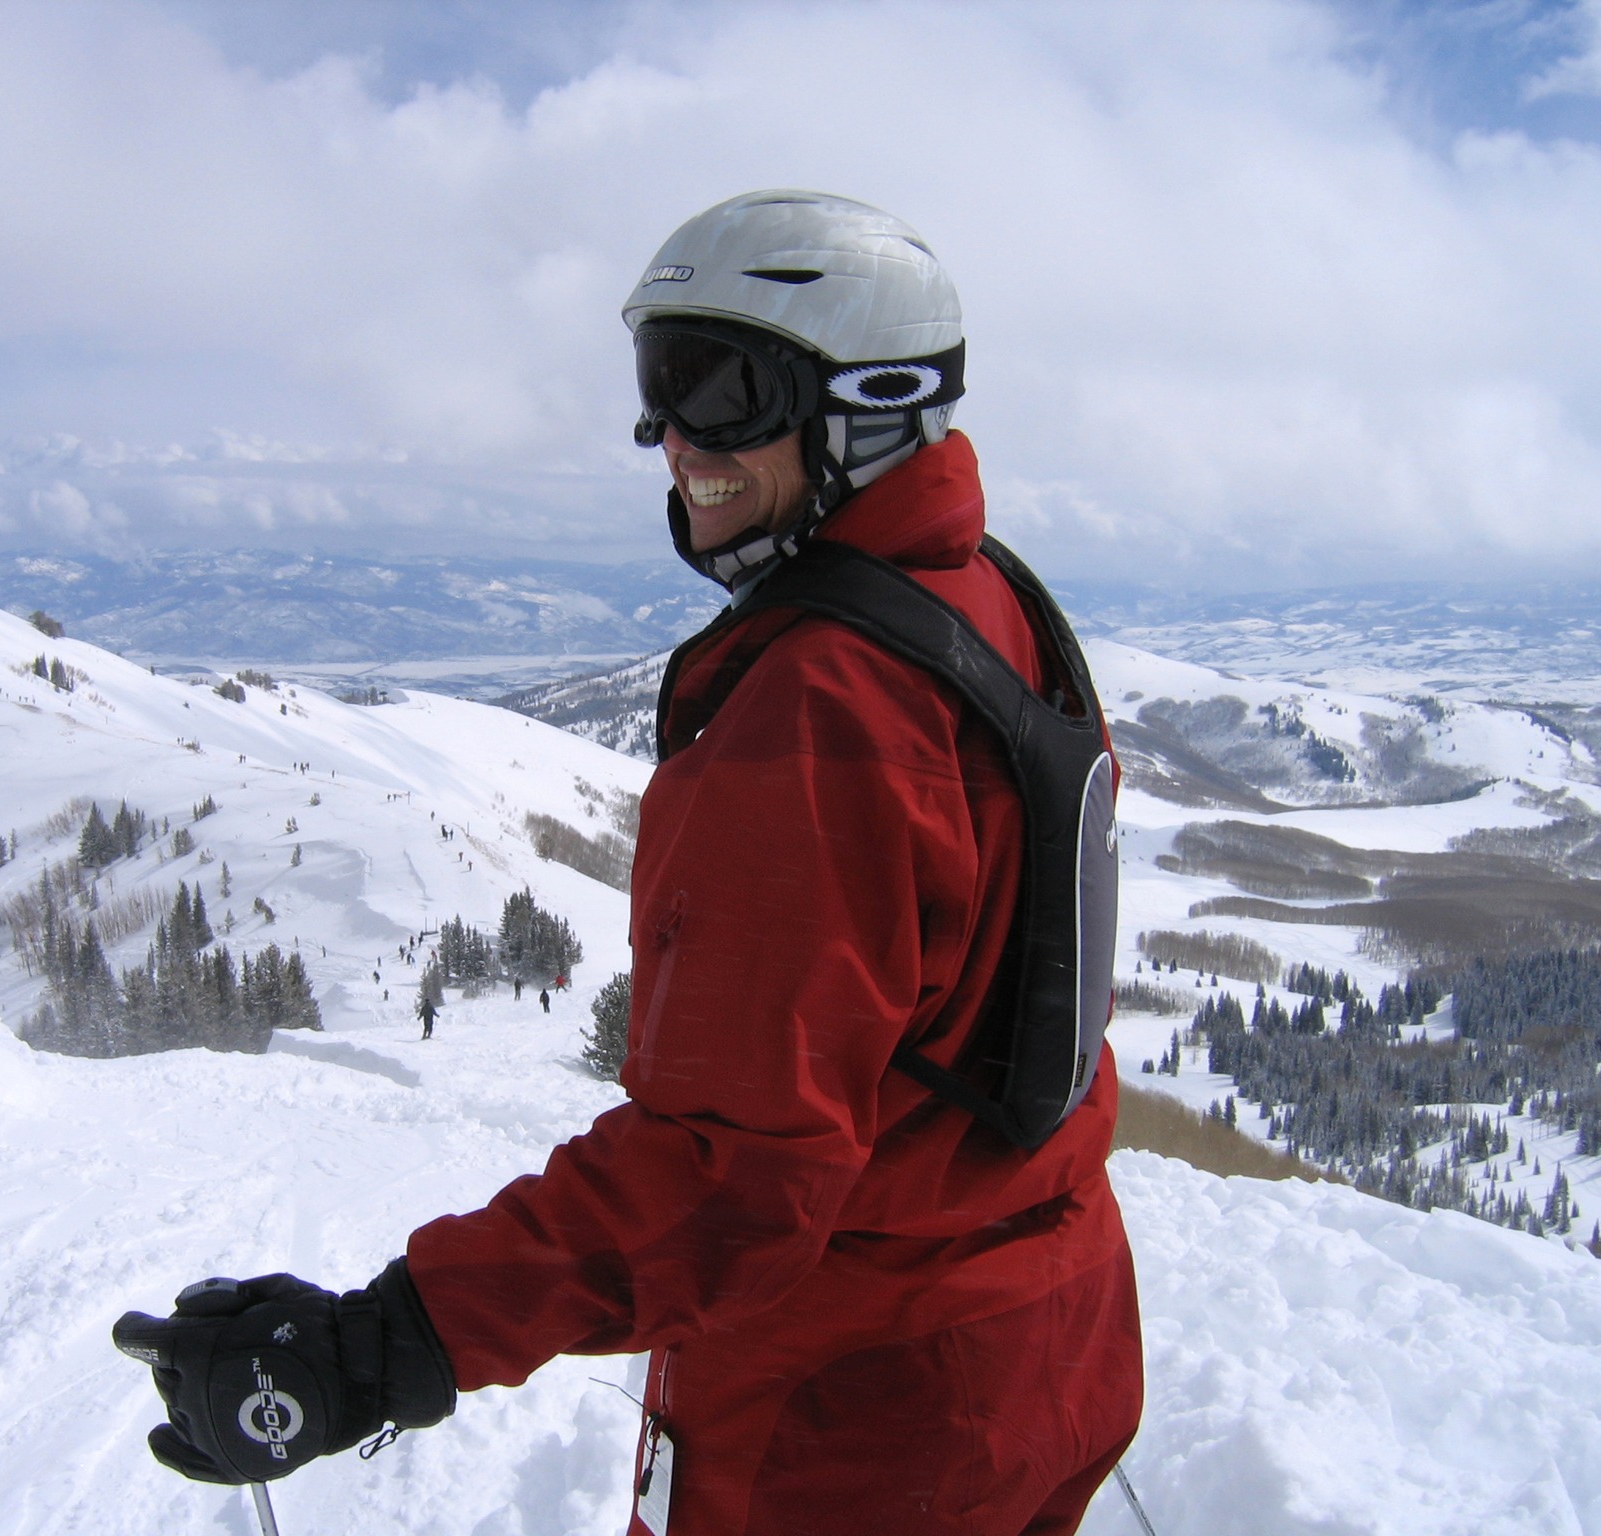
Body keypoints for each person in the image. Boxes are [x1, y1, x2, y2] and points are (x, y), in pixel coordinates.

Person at [113, 191, 1141, 1535]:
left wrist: (379, 1345)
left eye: (720, 391)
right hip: (1042, 1337)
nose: (672, 439)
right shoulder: (985, 601)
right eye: (659, 388)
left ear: (871, 401)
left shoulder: (823, 715)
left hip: (855, 1416)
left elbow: (730, 1178)